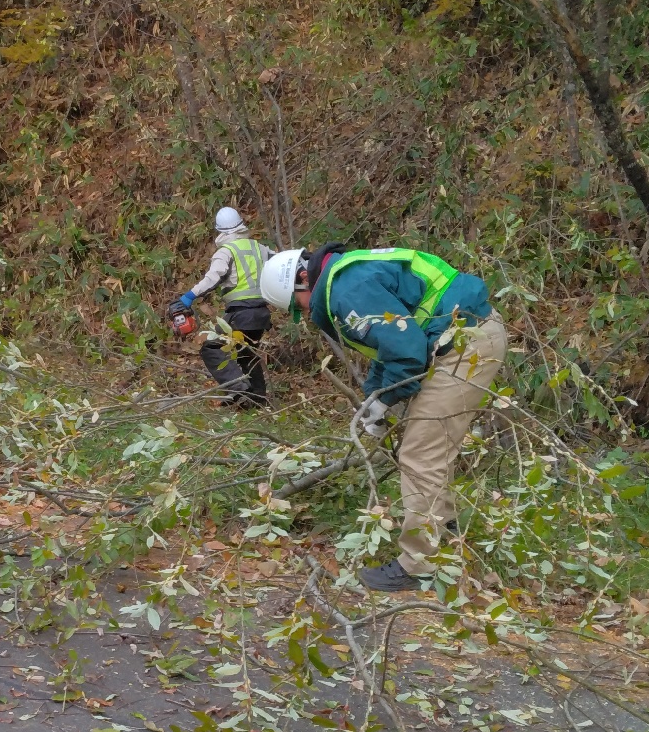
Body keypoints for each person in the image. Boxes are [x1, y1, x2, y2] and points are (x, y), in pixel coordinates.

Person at [259, 242, 509, 592]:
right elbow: (390, 345)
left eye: (295, 305)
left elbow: (407, 353)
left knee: (420, 454)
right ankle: (444, 533)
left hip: (465, 346)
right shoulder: (347, 276)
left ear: (303, 280)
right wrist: (373, 398)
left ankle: (420, 564)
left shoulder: (347, 290)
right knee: (431, 449)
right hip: (462, 339)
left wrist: (384, 402)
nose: (302, 312)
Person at [172, 206, 273, 407]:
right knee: (246, 352)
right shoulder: (259, 248)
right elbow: (282, 263)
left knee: (211, 349)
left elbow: (213, 277)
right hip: (261, 314)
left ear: (220, 231)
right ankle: (258, 398)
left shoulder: (226, 252)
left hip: (241, 313)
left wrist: (188, 297)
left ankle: (241, 393)